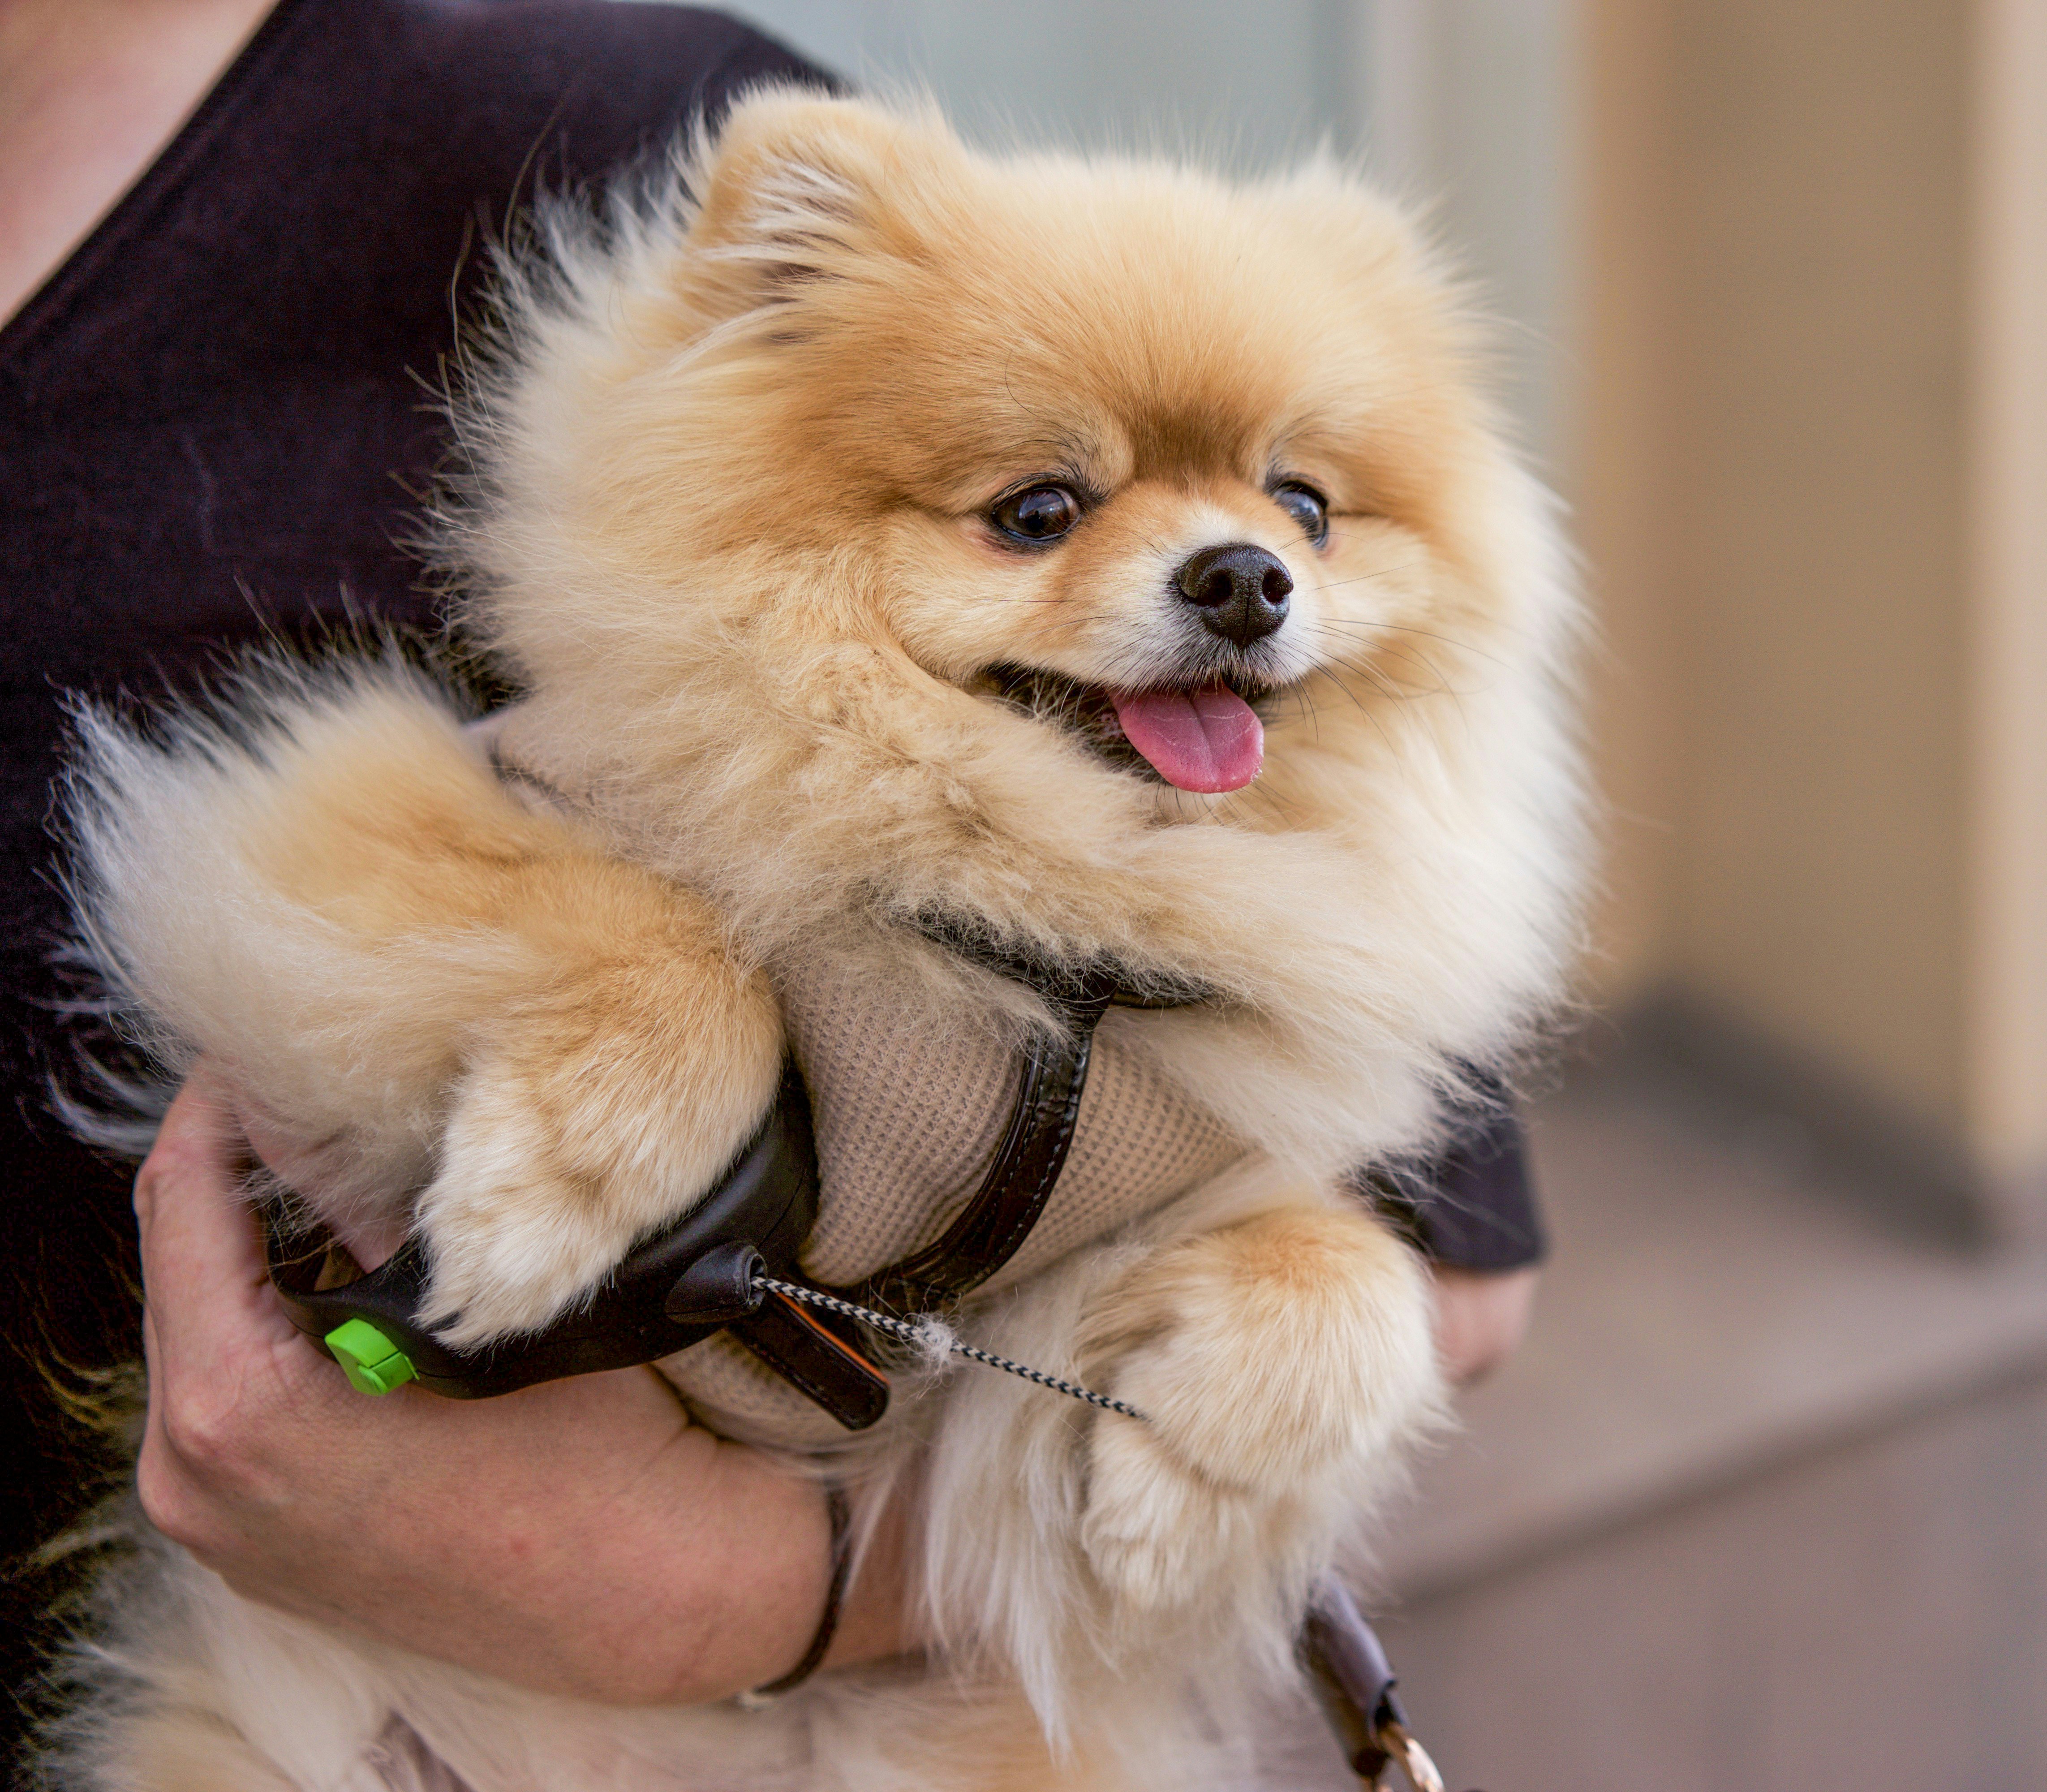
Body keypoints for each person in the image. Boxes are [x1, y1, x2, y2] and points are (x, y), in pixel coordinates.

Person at [0, 0, 1543, 1724]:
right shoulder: (650, 718)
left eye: (1302, 506)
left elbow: (1443, 1274)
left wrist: (728, 1597)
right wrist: (634, 993)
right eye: (1038, 507)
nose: (1240, 566)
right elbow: (280, 879)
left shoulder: (573, 93)